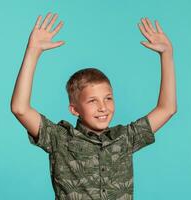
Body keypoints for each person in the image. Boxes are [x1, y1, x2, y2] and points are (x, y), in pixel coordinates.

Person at [10, 12, 177, 200]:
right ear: (74, 109)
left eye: (108, 98)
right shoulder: (59, 138)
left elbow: (167, 109)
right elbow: (20, 108)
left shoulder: (125, 138)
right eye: (92, 101)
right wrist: (32, 51)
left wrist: (167, 55)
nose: (103, 107)